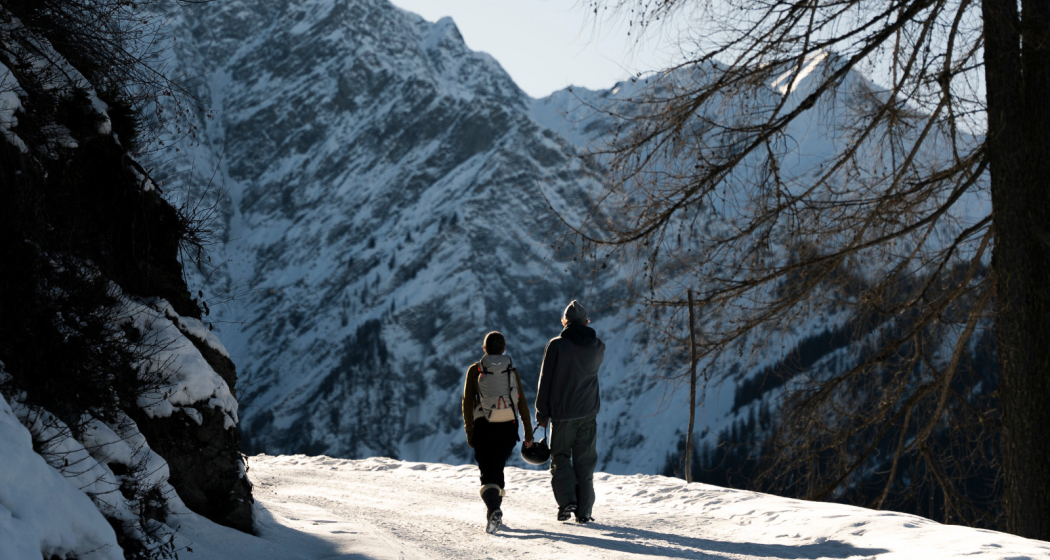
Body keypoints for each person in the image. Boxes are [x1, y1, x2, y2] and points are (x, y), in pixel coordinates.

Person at [535, 300, 605, 524]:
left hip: (563, 414)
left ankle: (567, 502)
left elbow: (545, 381)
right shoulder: (598, 346)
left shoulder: (556, 345)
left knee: (560, 457)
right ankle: (584, 511)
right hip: (588, 412)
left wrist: (542, 412)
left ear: (564, 322)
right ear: (586, 322)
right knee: (585, 462)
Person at [461, 331, 534, 534]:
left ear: (484, 349)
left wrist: (469, 432)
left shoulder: (475, 370)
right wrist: (528, 432)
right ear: (503, 349)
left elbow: (467, 404)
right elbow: (521, 402)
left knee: (487, 470)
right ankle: (495, 510)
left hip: (483, 426)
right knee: (498, 467)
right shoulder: (511, 369)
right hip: (508, 426)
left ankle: (493, 509)